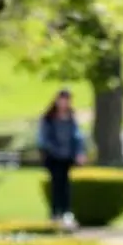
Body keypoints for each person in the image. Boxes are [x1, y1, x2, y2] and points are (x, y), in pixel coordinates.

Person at [37, 88, 87, 228]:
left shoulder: (71, 118)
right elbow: (43, 139)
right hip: (53, 157)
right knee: (56, 183)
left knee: (65, 184)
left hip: (67, 156)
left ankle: (66, 211)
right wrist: (55, 150)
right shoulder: (48, 118)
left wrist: (79, 152)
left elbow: (77, 137)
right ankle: (55, 212)